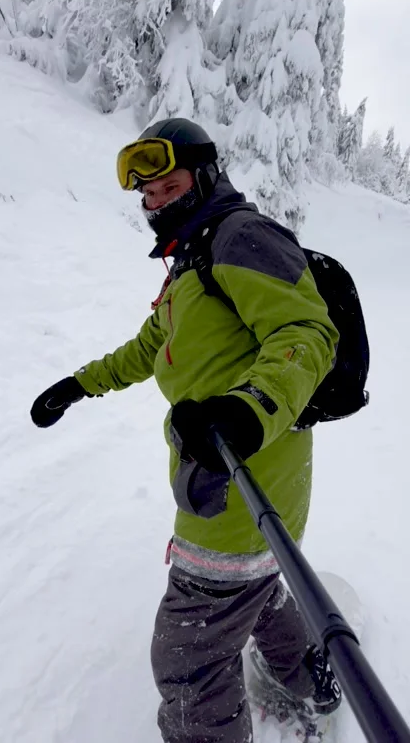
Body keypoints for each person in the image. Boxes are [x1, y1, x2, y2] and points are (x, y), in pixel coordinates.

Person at [30, 118, 342, 743]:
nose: (156, 203)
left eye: (168, 187)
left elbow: (306, 333)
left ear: (204, 178)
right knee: (257, 589)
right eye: (147, 195)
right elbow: (148, 349)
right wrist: (78, 384)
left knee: (187, 658)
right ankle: (311, 678)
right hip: (240, 478)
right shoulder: (192, 263)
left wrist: (248, 409)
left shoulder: (240, 237)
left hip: (241, 480)